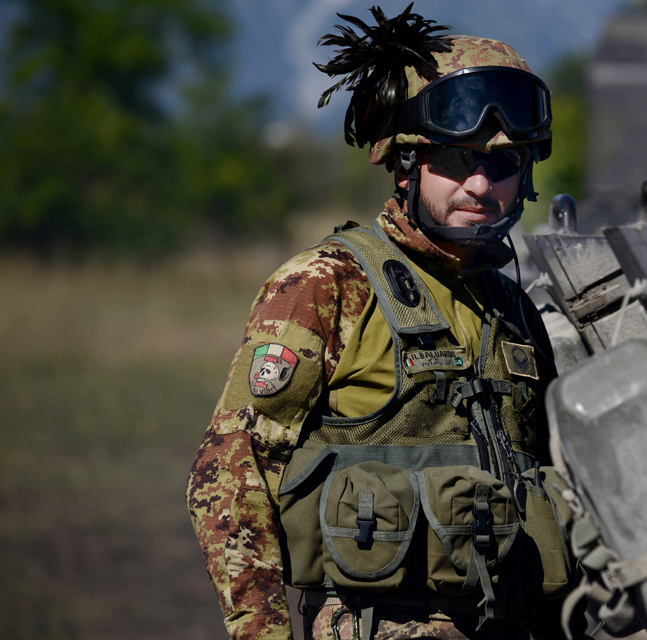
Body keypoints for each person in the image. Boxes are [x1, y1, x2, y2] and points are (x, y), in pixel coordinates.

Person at [186, 5, 573, 640]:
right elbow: (232, 473)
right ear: (406, 163)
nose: (479, 183)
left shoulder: (512, 305)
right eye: (454, 159)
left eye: (502, 164)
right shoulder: (326, 285)